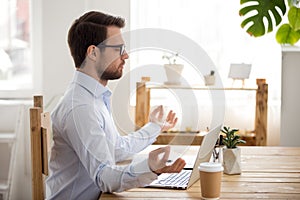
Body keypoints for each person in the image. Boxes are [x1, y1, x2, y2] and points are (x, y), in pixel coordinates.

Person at [46, 11, 186, 199]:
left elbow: (115, 147)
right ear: (93, 53)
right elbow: (104, 177)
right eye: (118, 49)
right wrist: (149, 167)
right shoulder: (81, 108)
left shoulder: (93, 99)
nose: (126, 55)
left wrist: (155, 126)